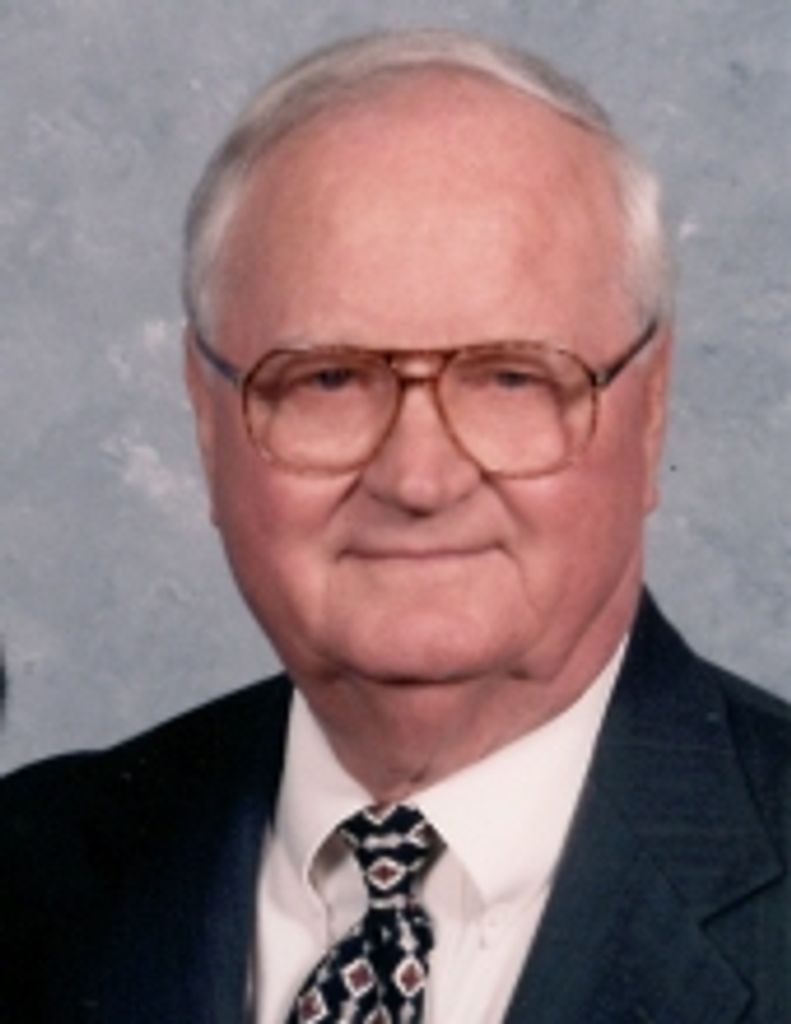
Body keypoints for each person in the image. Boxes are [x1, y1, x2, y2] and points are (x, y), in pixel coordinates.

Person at [1, 28, 789, 1024]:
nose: (418, 478)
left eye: (510, 378)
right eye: (328, 379)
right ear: (207, 420)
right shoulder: (28, 877)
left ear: (651, 410)